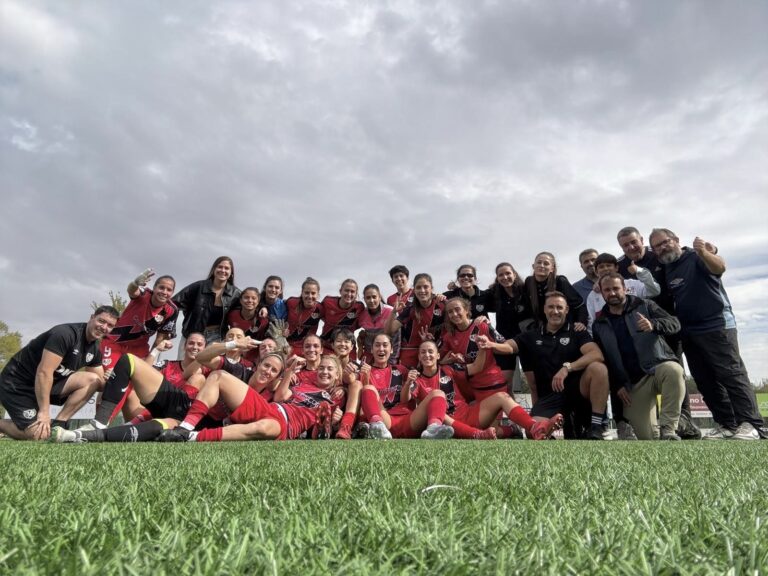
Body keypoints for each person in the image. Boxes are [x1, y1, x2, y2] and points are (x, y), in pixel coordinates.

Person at [649, 228, 764, 440]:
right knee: (705, 380)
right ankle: (727, 424)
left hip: (716, 324)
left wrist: (704, 252)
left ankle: (752, 424)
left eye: (665, 242)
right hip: (689, 330)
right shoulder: (667, 268)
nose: (662, 247)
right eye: (657, 246)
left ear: (676, 240)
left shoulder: (695, 256)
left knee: (731, 374)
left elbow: (720, 266)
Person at [479, 292, 609, 439]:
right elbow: (509, 347)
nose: (555, 311)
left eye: (560, 307)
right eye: (551, 307)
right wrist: (491, 344)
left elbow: (596, 354)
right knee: (531, 431)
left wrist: (567, 368)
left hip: (577, 391)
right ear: (544, 310)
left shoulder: (577, 331)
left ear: (566, 310)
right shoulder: (531, 335)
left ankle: (596, 426)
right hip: (550, 396)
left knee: (599, 368)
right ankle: (558, 426)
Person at [616, 226, 701, 440]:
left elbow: (685, 256)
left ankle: (683, 422)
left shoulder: (659, 255)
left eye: (634, 242)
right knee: (644, 374)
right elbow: (610, 284)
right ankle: (647, 421)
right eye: (625, 245)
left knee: (675, 371)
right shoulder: (621, 266)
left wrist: (711, 249)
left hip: (668, 324)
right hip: (640, 331)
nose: (631, 247)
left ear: (642, 240)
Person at [50, 333, 212, 443]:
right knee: (128, 361)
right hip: (159, 405)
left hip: (181, 418)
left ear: (205, 348)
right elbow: (141, 370)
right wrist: (156, 350)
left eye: (200, 344)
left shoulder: (209, 370)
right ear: (184, 346)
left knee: (155, 428)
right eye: (191, 343)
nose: (195, 347)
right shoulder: (169, 365)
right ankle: (99, 422)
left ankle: (81, 436)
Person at [442, 298, 563, 440]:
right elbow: (439, 359)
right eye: (450, 312)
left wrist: (489, 345)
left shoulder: (482, 326)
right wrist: (447, 359)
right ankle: (514, 429)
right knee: (481, 430)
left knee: (491, 430)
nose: (454, 314)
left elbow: (507, 347)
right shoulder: (449, 336)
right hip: (469, 387)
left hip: (490, 384)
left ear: (467, 310)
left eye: (457, 309)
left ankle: (522, 428)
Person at [160, 353, 344, 442]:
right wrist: (289, 370)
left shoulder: (336, 398)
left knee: (265, 428)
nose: (324, 371)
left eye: (329, 369)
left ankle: (192, 437)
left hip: (285, 425)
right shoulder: (303, 383)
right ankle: (185, 428)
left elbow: (344, 412)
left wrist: (335, 419)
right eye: (322, 367)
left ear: (337, 375)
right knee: (218, 376)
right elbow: (280, 397)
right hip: (271, 408)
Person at [0, 306, 119, 440]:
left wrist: (111, 378)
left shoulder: (95, 348)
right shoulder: (65, 334)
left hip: (46, 384)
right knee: (37, 434)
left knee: (93, 379)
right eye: (101, 321)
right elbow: (44, 373)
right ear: (92, 318)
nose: (104, 327)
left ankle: (60, 423)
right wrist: (44, 413)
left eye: (110, 325)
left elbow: (100, 383)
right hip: (16, 384)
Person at [591, 273, 685, 440]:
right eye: (607, 290)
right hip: (634, 384)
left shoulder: (646, 305)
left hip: (657, 369)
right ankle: (659, 432)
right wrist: (618, 384)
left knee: (674, 370)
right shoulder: (599, 324)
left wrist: (654, 325)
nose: (612, 293)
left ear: (625, 289)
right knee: (646, 437)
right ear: (602, 293)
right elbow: (606, 360)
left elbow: (675, 324)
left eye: (615, 288)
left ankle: (669, 429)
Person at [358, 334, 454, 439]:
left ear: (391, 350)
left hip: (410, 420)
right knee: (367, 388)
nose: (381, 349)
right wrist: (364, 379)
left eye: (385, 345)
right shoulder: (365, 371)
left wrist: (441, 362)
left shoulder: (402, 370)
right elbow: (363, 404)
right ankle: (378, 427)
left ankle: (433, 430)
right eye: (377, 345)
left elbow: (407, 396)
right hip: (385, 419)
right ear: (371, 350)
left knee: (438, 393)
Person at [404, 341, 497, 439]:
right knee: (438, 412)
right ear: (419, 357)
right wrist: (407, 383)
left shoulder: (449, 369)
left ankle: (512, 429)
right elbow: (405, 399)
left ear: (438, 355)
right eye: (423, 352)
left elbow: (476, 367)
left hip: (464, 414)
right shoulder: (417, 379)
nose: (427, 355)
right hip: (441, 421)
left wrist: (482, 349)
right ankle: (478, 434)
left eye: (431, 351)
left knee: (502, 397)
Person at [100, 268, 178, 374]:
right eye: (161, 287)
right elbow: (132, 290)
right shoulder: (144, 294)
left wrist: (150, 359)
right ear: (154, 288)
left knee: (135, 382)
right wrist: (135, 283)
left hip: (139, 349)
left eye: (169, 290)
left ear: (172, 293)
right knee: (108, 377)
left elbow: (160, 339)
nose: (164, 292)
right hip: (115, 342)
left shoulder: (172, 311)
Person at [173, 256, 241, 347]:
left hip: (217, 337)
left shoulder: (236, 294)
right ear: (214, 269)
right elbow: (173, 304)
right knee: (185, 361)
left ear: (231, 272)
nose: (223, 270)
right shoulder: (199, 287)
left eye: (227, 268)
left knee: (213, 361)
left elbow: (247, 312)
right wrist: (168, 329)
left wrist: (262, 308)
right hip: (191, 335)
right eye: (220, 267)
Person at [485, 262, 531, 392]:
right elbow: (474, 298)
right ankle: (512, 411)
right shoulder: (494, 294)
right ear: (497, 278)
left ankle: (536, 412)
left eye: (508, 273)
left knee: (533, 383)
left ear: (514, 274)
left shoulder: (526, 290)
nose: (505, 277)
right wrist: (455, 289)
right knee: (505, 384)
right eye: (501, 275)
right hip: (504, 342)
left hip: (526, 341)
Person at [585, 253, 660, 331]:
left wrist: (640, 272)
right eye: (601, 267)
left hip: (641, 332)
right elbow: (592, 322)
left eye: (609, 265)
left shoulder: (632, 284)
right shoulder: (592, 296)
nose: (605, 269)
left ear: (616, 268)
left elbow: (655, 291)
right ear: (596, 272)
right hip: (614, 338)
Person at [384, 273, 445, 368]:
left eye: (426, 287)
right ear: (414, 290)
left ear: (431, 288)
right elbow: (389, 331)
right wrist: (393, 312)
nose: (422, 290)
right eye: (418, 287)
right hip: (411, 353)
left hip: (434, 352)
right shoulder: (410, 309)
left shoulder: (442, 304)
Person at [524, 252, 587, 328]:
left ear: (552, 268)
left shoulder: (560, 281)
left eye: (546, 263)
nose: (541, 265)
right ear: (533, 266)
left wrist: (581, 322)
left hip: (563, 326)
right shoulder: (528, 282)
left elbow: (579, 305)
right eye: (539, 262)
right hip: (542, 329)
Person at [319, 279, 365, 357]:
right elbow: (319, 315)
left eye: (352, 291)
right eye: (346, 290)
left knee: (351, 368)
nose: (349, 294)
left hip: (347, 348)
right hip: (327, 346)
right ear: (340, 291)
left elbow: (362, 323)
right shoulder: (328, 301)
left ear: (356, 294)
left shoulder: (359, 307)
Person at [358, 284, 400, 364]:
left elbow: (396, 340)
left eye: (374, 297)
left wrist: (392, 362)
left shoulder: (391, 312)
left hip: (387, 359)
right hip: (368, 359)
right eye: (368, 298)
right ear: (364, 299)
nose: (371, 300)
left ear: (379, 297)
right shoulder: (362, 315)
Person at [285, 277, 323, 356]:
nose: (309, 296)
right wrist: (263, 307)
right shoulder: (291, 302)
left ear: (318, 294)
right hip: (287, 346)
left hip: (308, 348)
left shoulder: (321, 308)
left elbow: (331, 321)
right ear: (302, 293)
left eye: (313, 293)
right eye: (306, 292)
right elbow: (275, 308)